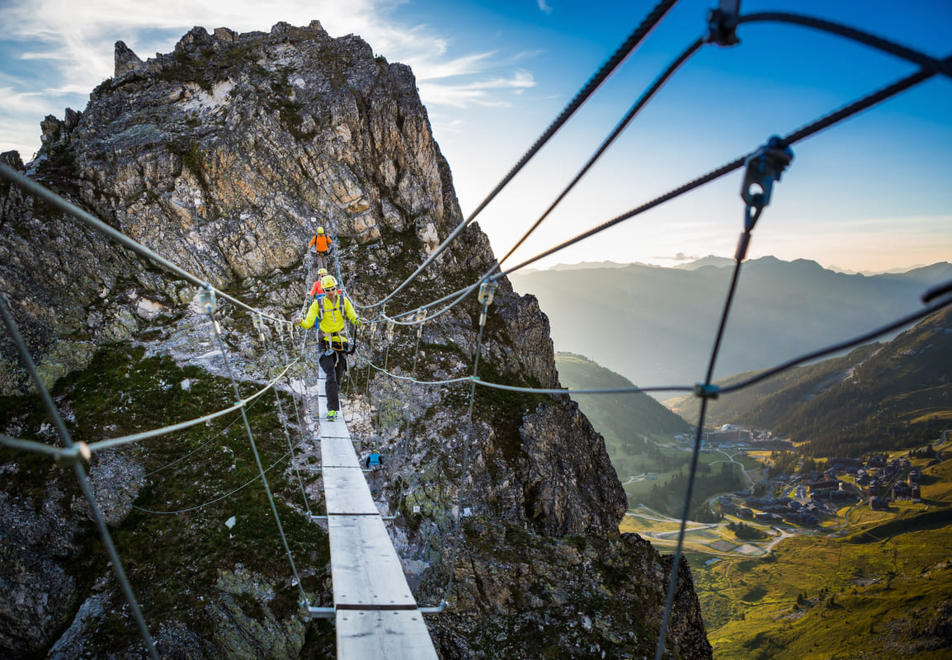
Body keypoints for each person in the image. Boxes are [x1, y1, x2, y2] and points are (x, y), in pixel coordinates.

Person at [294, 275, 360, 421]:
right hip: (325, 343)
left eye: (333, 289)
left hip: (341, 342)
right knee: (330, 374)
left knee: (338, 376)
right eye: (327, 290)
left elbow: (352, 316)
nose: (331, 292)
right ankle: (332, 410)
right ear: (323, 290)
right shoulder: (317, 304)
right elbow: (308, 322)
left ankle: (333, 400)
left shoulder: (343, 301)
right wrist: (301, 322)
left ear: (336, 288)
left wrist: (358, 321)